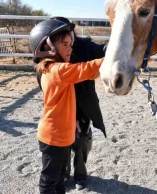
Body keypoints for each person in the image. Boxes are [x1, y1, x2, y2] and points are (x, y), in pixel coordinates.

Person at [29, 18, 104, 194]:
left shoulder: (49, 68)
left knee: (59, 180)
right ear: (47, 47)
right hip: (53, 137)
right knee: (49, 181)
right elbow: (87, 69)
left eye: (71, 43)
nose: (71, 48)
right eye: (65, 44)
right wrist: (113, 57)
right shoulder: (58, 70)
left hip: (61, 136)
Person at [49, 16, 107, 190]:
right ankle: (64, 172)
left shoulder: (84, 45)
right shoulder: (50, 55)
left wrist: (116, 47)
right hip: (62, 103)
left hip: (83, 102)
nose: (68, 45)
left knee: (82, 137)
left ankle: (80, 174)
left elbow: (101, 50)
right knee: (63, 140)